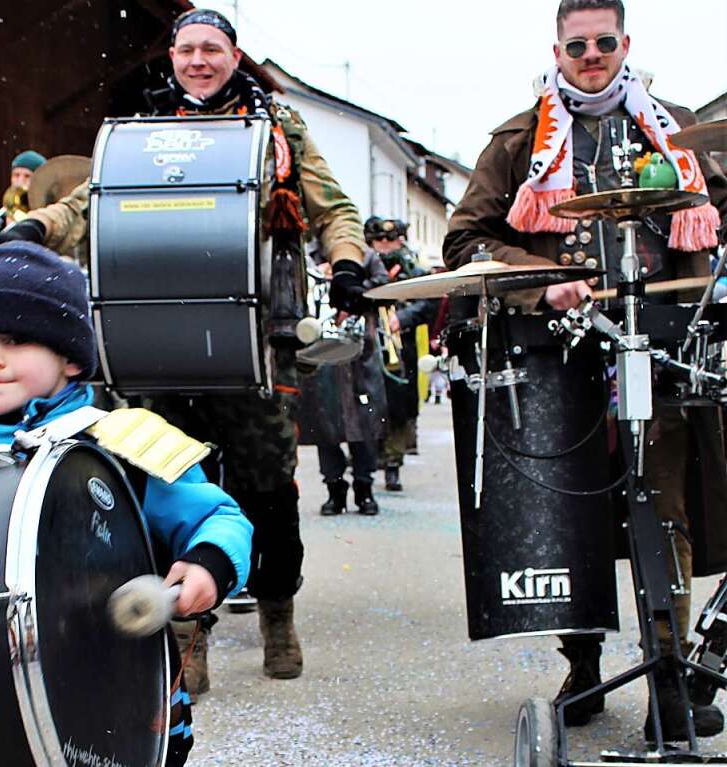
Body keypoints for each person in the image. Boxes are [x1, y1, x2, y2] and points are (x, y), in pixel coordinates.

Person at [0, 8, 367, 689]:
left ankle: (277, 608)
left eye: (213, 49)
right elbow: (89, 201)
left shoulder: (276, 129)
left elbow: (332, 208)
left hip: (255, 338)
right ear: (171, 56)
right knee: (163, 481)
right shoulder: (142, 134)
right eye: (187, 49)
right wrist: (35, 227)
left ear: (234, 55)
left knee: (265, 488)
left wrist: (345, 258)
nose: (199, 60)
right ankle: (183, 624)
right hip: (155, 338)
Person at [443, 0, 727, 741]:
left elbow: (720, 216)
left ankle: (670, 672)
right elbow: (464, 240)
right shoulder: (516, 140)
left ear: (625, 42)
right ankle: (584, 662)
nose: (591, 54)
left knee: (665, 509)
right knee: (574, 518)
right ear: (558, 48)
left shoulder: (677, 126)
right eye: (578, 44)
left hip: (657, 350)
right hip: (560, 356)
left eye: (604, 42)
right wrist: (540, 279)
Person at [0, 241, 252, 767]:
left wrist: (207, 566)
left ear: (69, 359)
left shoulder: (121, 445)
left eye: (14, 339)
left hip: (122, 701)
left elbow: (218, 517)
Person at [298, 252, 389, 516]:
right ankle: (334, 488)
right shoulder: (310, 254)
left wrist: (354, 291)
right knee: (324, 425)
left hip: (359, 353)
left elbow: (383, 283)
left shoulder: (364, 255)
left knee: (364, 424)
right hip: (319, 351)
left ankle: (365, 488)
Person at [367, 217, 437, 492]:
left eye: (390, 240)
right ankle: (371, 460)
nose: (384, 246)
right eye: (379, 241)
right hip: (370, 344)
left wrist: (403, 318)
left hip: (401, 348)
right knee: (369, 403)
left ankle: (393, 464)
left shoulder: (413, 270)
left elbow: (427, 304)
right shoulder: (364, 266)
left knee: (398, 407)